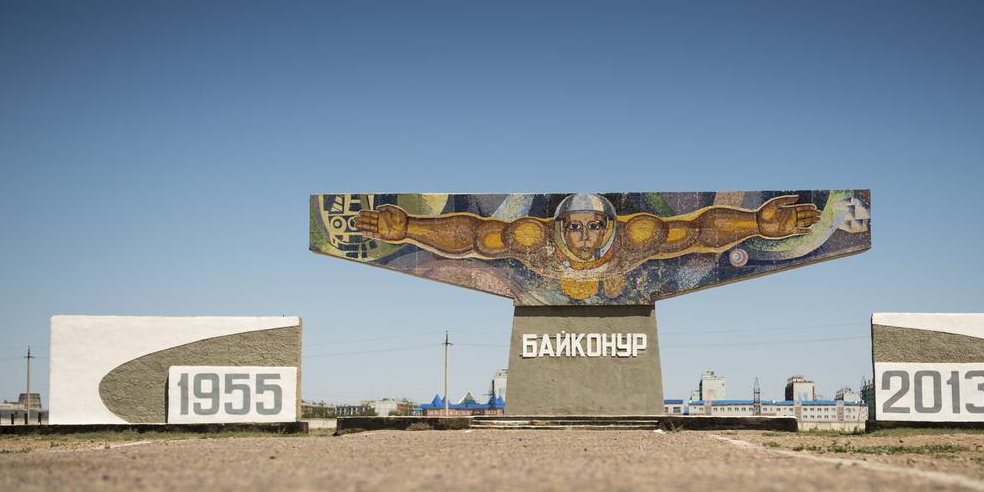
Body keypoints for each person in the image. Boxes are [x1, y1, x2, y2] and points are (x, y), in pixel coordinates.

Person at [350, 193, 820, 300]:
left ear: (610, 225)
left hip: (620, 286)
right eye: (575, 229)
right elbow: (473, 236)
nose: (585, 239)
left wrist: (758, 222)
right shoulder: (531, 239)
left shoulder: (638, 236)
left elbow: (698, 231)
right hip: (544, 287)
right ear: (560, 227)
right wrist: (410, 227)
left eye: (595, 228)